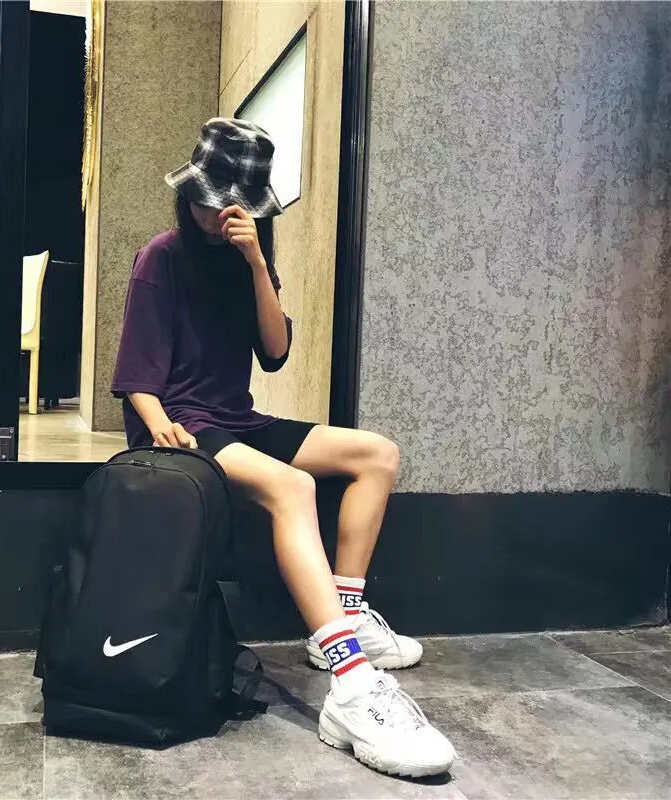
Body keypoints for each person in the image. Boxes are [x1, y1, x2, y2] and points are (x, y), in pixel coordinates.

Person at [112, 118, 455, 777]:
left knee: (377, 454)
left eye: (227, 204)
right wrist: (158, 425)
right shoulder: (162, 255)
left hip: (236, 419)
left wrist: (257, 265)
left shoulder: (246, 262)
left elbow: (274, 351)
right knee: (293, 487)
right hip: (182, 422)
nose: (212, 214)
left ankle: (343, 624)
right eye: (205, 200)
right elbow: (136, 376)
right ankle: (352, 686)